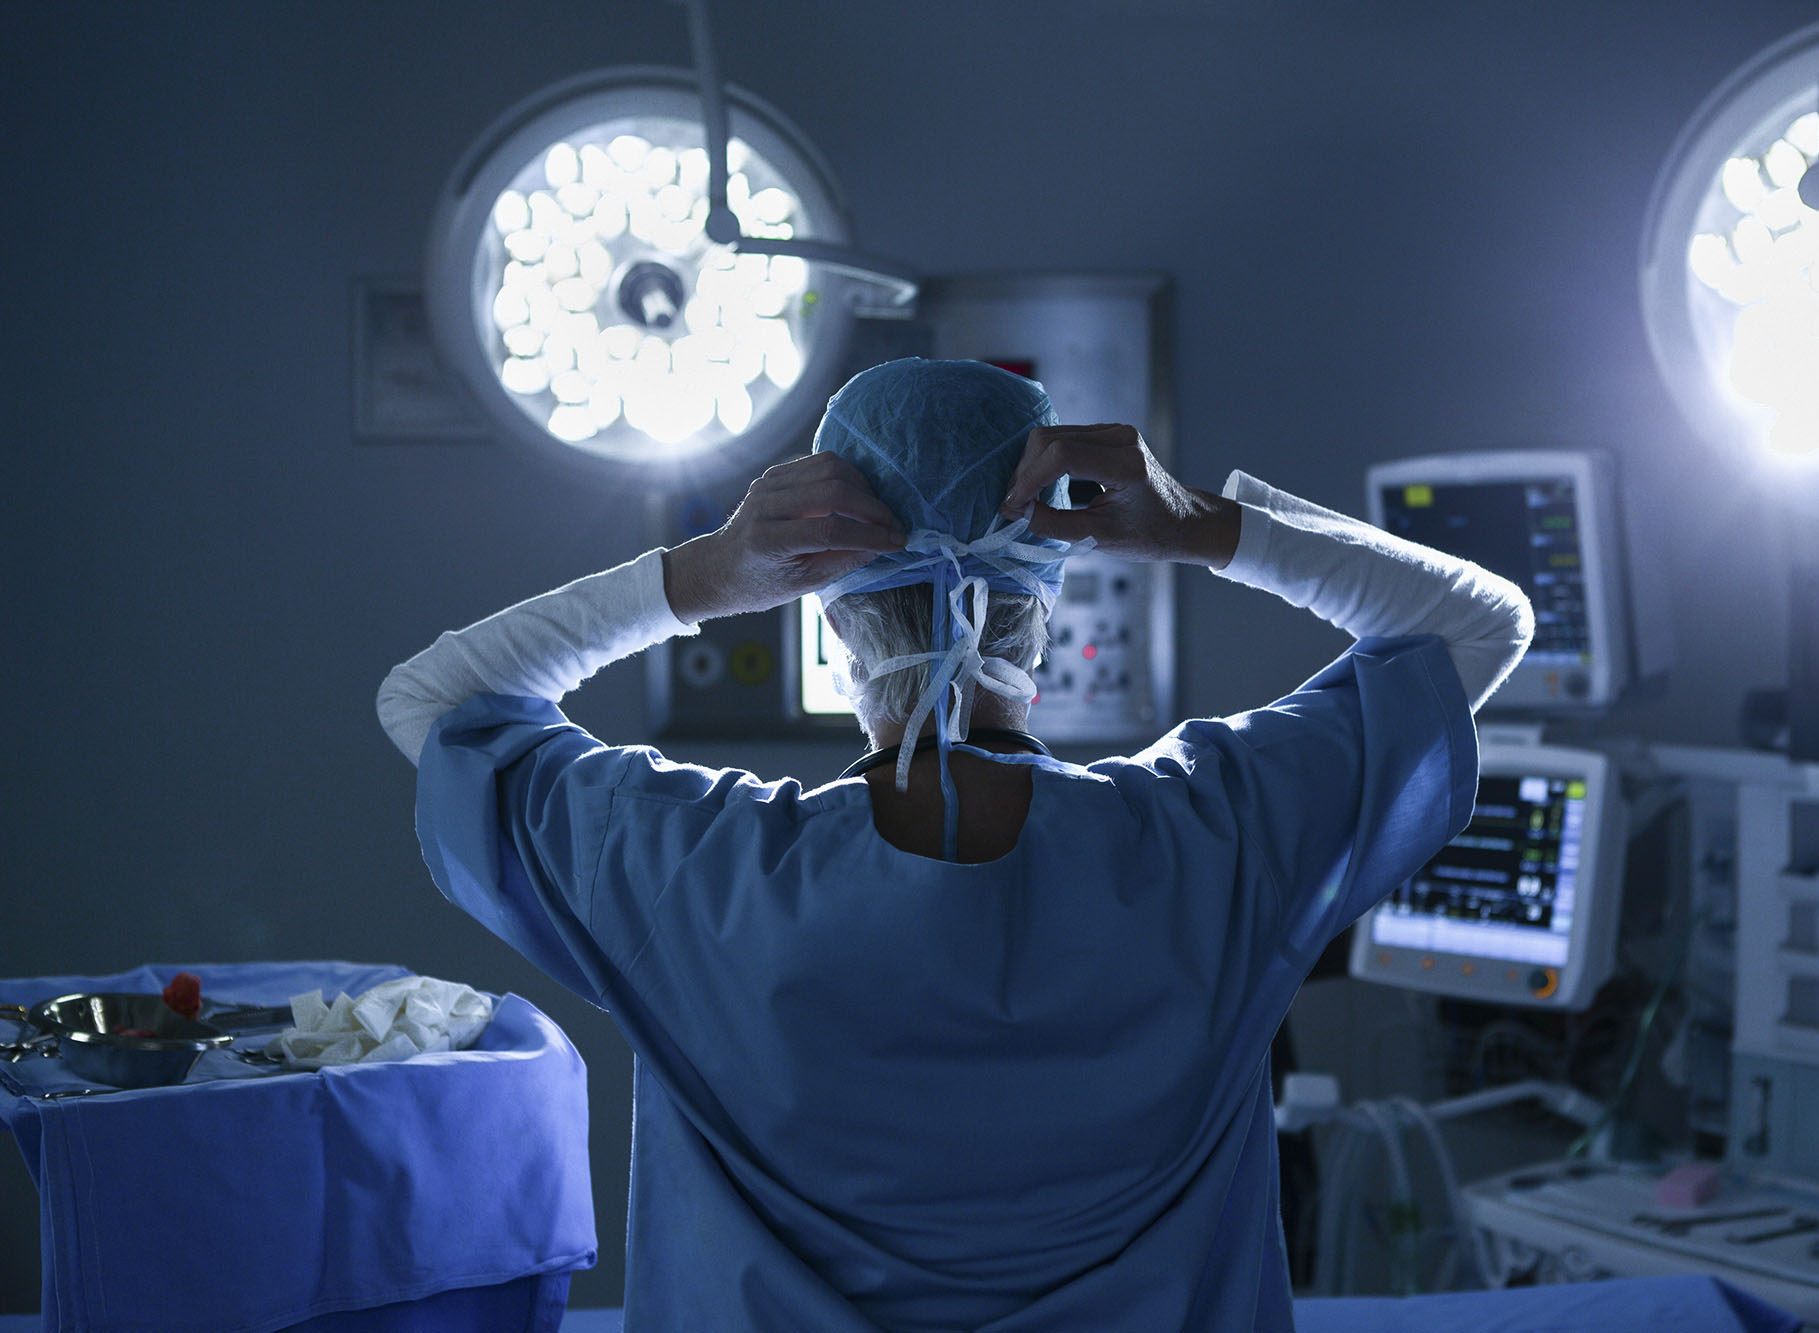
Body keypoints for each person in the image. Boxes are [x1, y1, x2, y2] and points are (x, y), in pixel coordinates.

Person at [377, 358, 1532, 1331]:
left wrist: (703, 575)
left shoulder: (694, 874)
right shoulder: (1209, 841)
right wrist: (1203, 528)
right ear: (1046, 611)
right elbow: (1479, 625)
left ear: (827, 621)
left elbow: (433, 705)